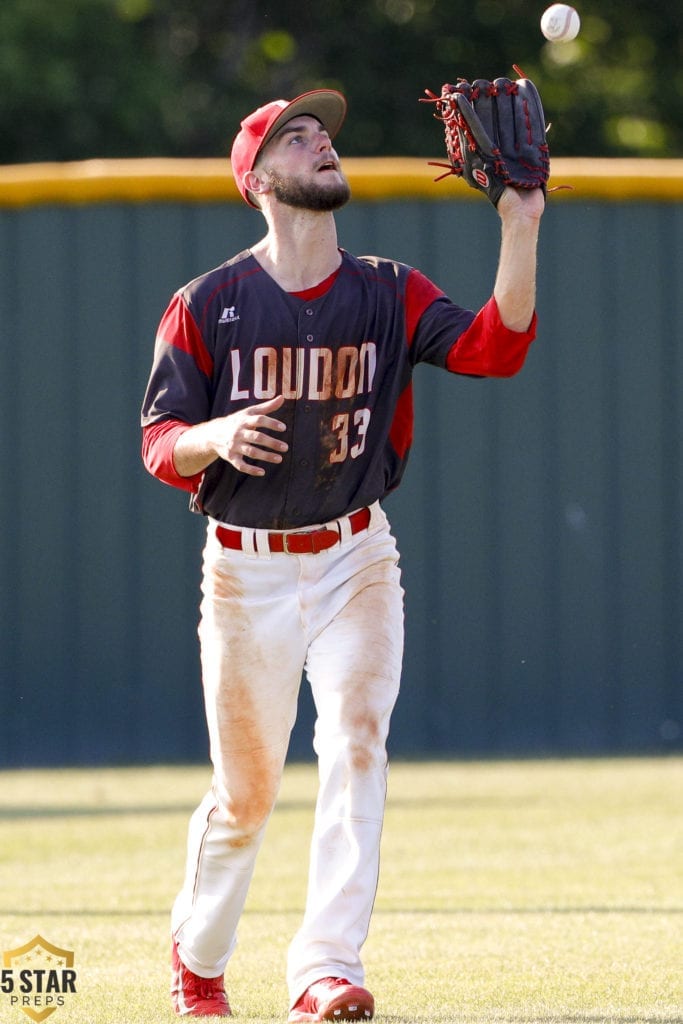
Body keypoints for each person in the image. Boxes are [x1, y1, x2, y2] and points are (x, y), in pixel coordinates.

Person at [141, 88, 544, 1022]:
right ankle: (197, 959)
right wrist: (215, 435)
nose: (321, 140)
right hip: (244, 570)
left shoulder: (389, 290)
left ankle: (324, 966)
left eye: (323, 131)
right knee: (244, 799)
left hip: (356, 557)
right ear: (260, 181)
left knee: (356, 742)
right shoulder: (207, 303)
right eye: (295, 135)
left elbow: (496, 351)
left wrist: (519, 223)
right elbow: (159, 442)